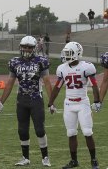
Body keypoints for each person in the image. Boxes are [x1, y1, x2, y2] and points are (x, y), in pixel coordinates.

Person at [0, 35, 52, 167]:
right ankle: (25, 158)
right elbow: (9, 84)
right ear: (20, 47)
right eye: (24, 46)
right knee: (22, 130)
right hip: (22, 99)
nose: (26, 49)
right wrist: (0, 101)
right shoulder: (15, 62)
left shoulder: (41, 61)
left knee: (39, 129)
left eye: (29, 47)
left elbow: (47, 83)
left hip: (36, 98)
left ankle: (45, 157)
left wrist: (52, 101)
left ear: (34, 48)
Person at [48, 41, 101, 169]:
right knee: (71, 133)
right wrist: (50, 103)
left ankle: (94, 160)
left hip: (82, 102)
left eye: (69, 53)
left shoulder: (86, 67)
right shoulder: (62, 68)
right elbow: (57, 86)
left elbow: (94, 85)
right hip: (69, 104)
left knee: (87, 132)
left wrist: (97, 100)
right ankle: (74, 161)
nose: (66, 55)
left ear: (77, 53)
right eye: (65, 53)